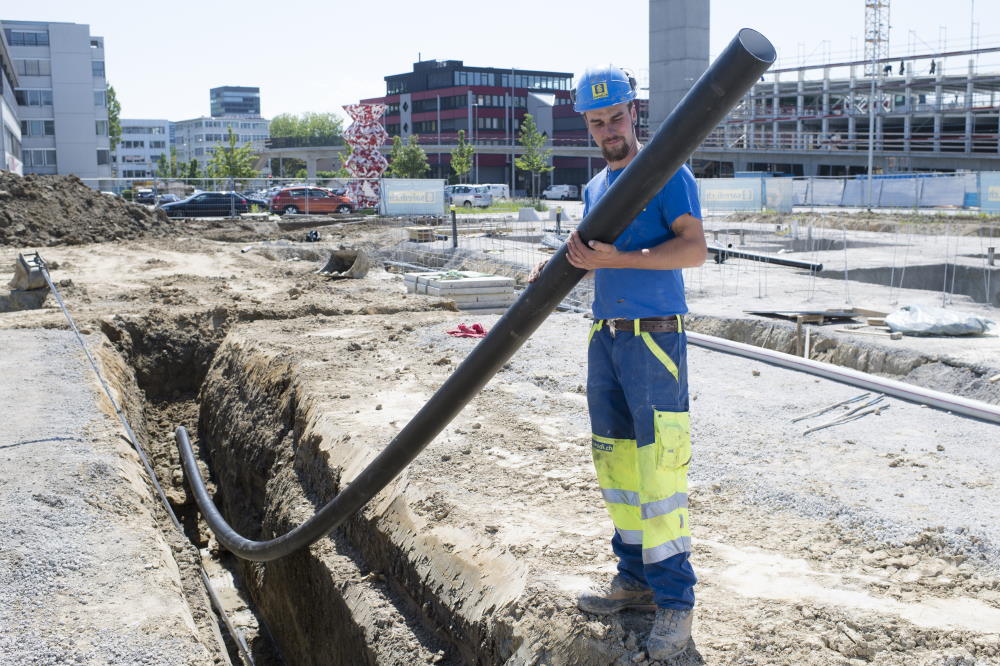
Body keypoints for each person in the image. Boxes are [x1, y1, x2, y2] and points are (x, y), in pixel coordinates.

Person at [529, 65, 706, 660]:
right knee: (617, 467)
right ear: (587, 124)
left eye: (616, 117)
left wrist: (616, 262)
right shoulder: (594, 188)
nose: (609, 130)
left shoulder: (666, 173)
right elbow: (592, 254)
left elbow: (695, 249)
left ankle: (675, 604)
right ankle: (635, 579)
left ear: (635, 113)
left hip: (654, 338)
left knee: (658, 472)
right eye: (597, 122)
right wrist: (557, 269)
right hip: (606, 335)